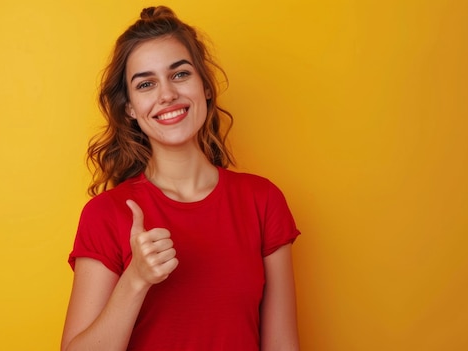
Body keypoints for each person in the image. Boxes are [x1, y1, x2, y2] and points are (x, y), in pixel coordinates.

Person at [61, 6, 300, 351]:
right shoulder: (105, 215)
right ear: (130, 108)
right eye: (146, 84)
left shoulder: (262, 200)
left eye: (180, 74)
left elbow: (282, 346)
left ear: (204, 86)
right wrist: (136, 279)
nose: (167, 95)